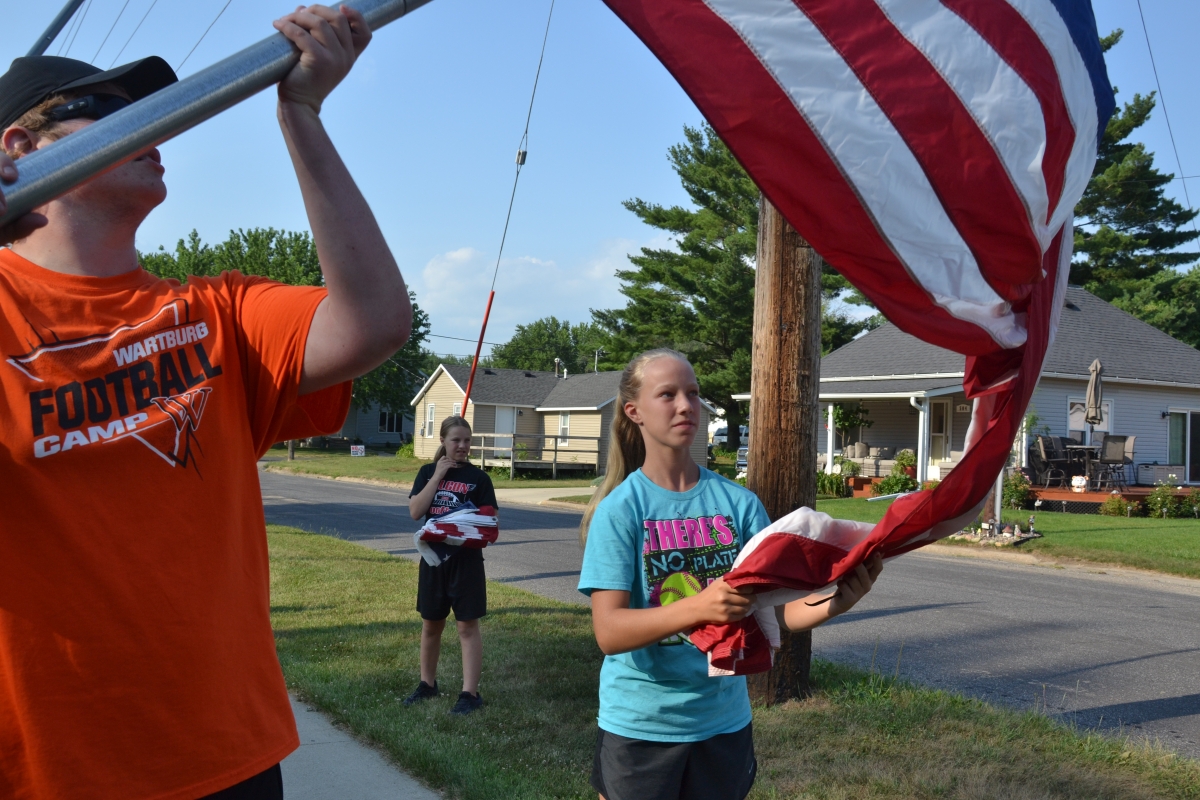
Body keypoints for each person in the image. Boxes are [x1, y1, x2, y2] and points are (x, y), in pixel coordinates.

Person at [0, 6, 411, 798]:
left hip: (227, 756)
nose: (155, 129)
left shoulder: (213, 311)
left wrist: (303, 114)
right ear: (20, 145)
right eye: (116, 113)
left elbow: (374, 322)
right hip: (45, 770)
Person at [577, 349, 884, 800]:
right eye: (668, 394)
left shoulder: (739, 505)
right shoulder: (621, 511)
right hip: (641, 724)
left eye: (694, 393)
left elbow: (771, 615)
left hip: (723, 723)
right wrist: (698, 607)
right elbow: (609, 631)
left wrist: (838, 602)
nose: (686, 405)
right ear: (634, 412)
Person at [405, 415, 497, 715]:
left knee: (466, 626)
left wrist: (460, 528)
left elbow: (489, 524)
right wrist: (437, 477)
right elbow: (416, 511)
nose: (462, 446)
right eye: (456, 440)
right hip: (433, 560)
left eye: (467, 440)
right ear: (443, 441)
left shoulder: (480, 479)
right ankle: (427, 684)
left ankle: (470, 693)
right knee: (431, 624)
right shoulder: (427, 471)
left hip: (466, 562)